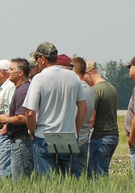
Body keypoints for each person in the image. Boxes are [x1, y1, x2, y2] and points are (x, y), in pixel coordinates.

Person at [23, 42, 87, 177]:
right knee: (70, 179)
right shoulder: (73, 77)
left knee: (47, 180)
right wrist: (75, 130)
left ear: (42, 59)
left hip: (44, 134)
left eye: (37, 59)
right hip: (68, 135)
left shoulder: (38, 79)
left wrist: (32, 131)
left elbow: (30, 112)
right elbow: (83, 107)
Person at [84, 60, 120, 178]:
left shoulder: (96, 90)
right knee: (103, 171)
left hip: (101, 136)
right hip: (113, 135)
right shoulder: (111, 88)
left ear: (88, 73)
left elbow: (91, 120)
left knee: (96, 175)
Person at [0, 58, 33, 181]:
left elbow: (23, 118)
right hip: (20, 141)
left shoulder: (23, 91)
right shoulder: (21, 89)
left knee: (19, 179)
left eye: (11, 69)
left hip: (21, 141)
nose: (8, 72)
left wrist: (5, 120)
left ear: (20, 73)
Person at [71, 56, 95, 179]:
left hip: (75, 135)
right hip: (85, 137)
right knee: (81, 173)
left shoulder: (76, 88)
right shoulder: (90, 89)